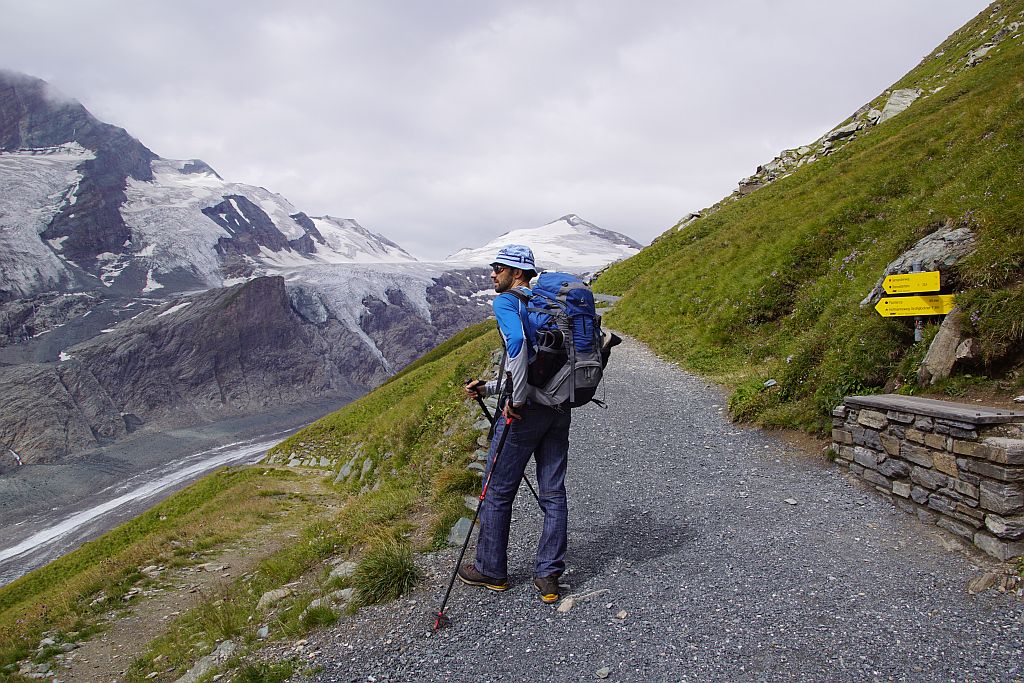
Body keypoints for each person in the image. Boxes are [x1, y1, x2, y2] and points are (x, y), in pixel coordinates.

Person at [459, 244, 571, 604]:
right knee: (553, 492)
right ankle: (548, 575)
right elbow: (541, 364)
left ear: (517, 272)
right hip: (559, 409)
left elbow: (519, 346)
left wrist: (515, 401)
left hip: (524, 413)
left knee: (497, 491)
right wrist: (490, 387)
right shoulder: (550, 305)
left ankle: (491, 570)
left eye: (498, 268)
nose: (493, 274)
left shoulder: (507, 303)